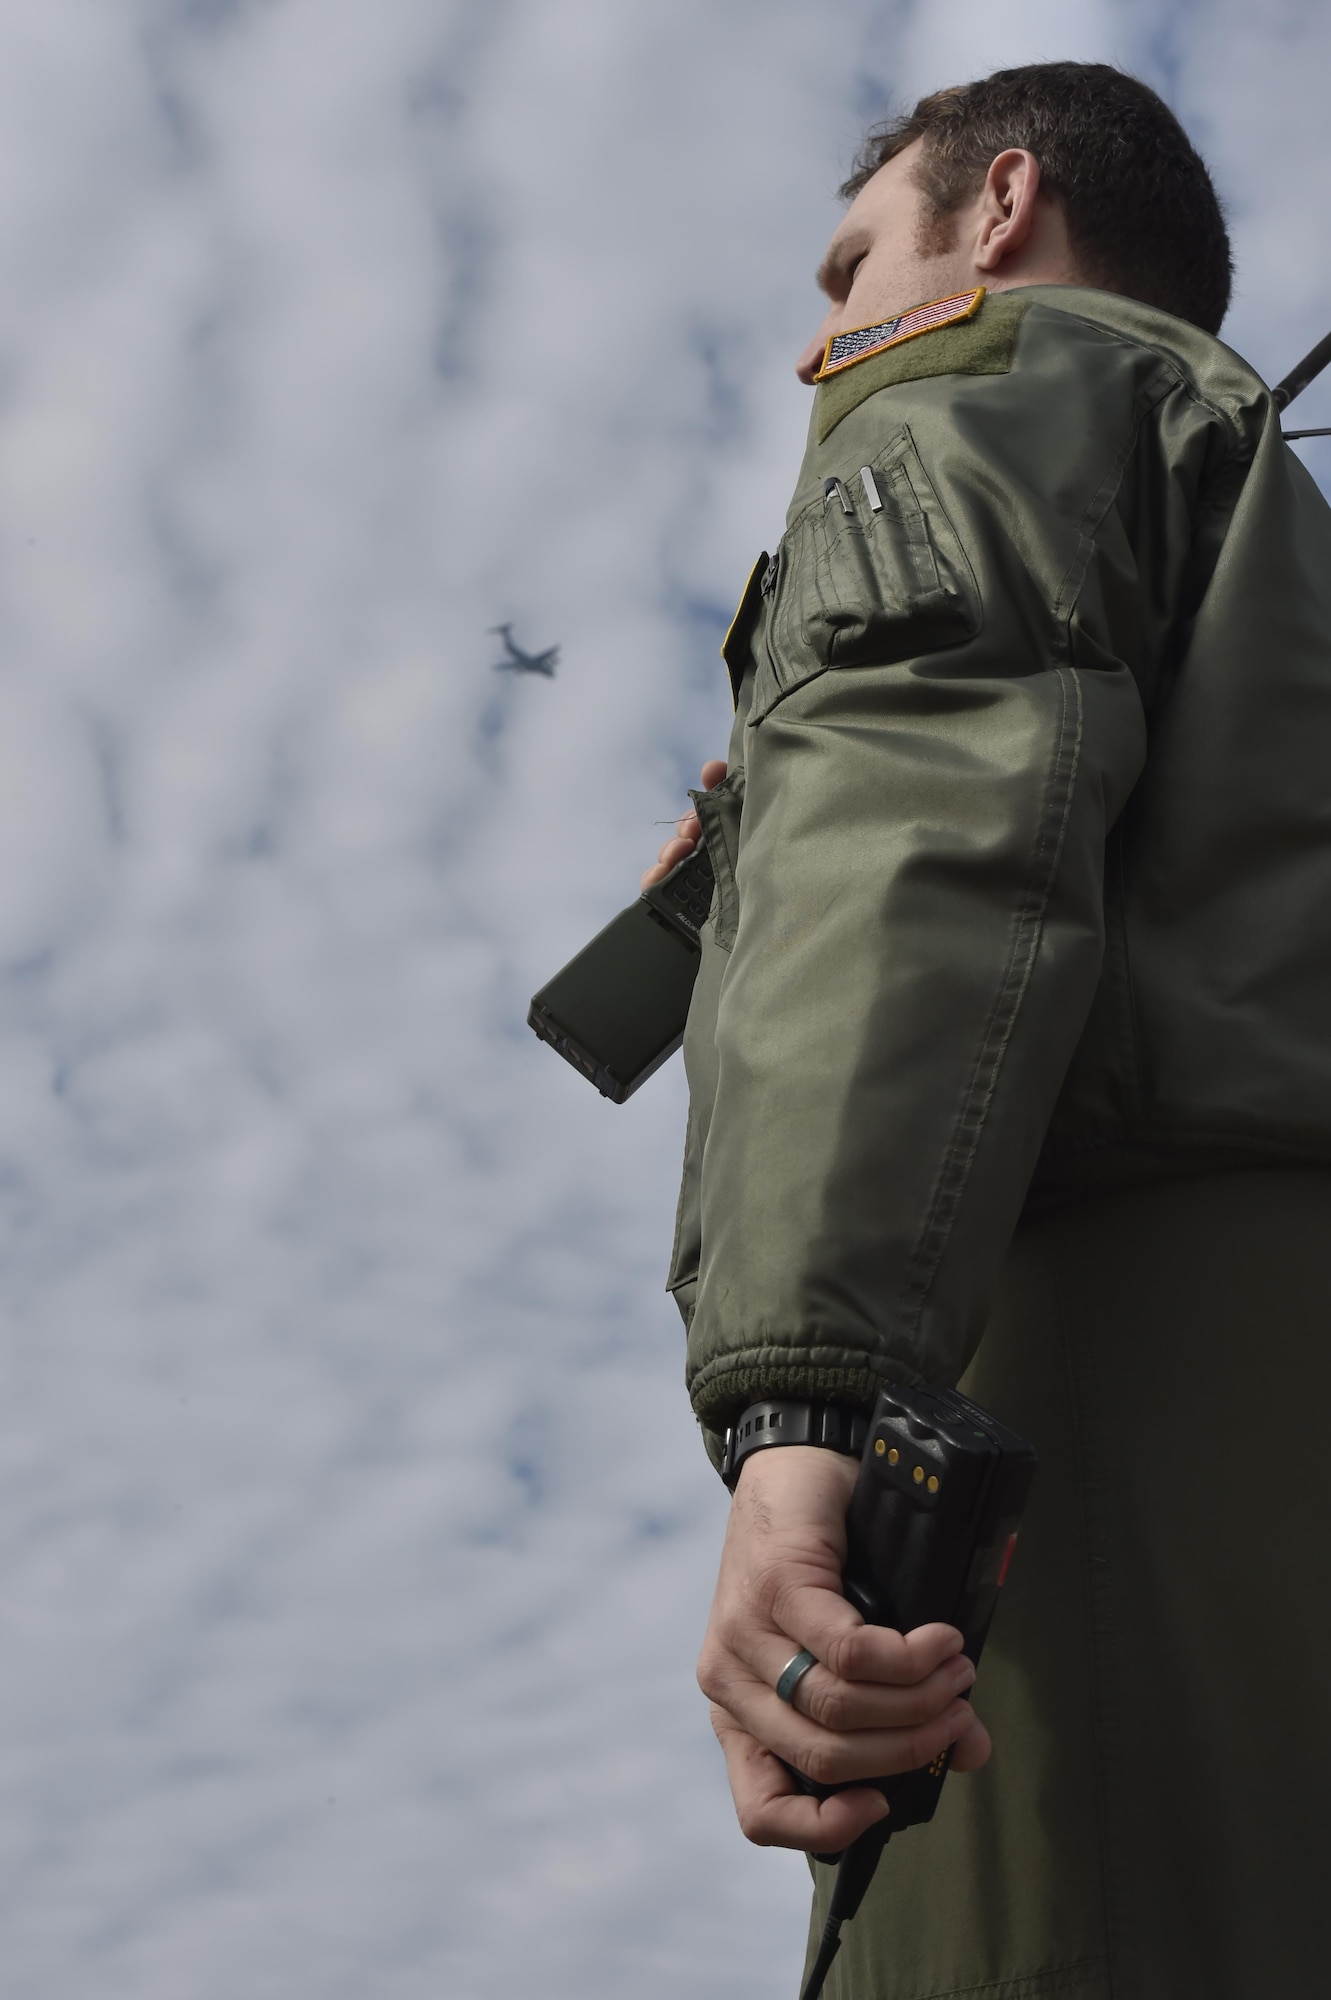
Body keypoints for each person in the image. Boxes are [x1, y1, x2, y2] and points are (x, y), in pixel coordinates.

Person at [645, 62, 1331, 2000]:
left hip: (1115, 1384)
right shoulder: (1278, 541)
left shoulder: (978, 381)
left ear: (1000, 205)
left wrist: (801, 1418)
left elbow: (918, 814)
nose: (819, 341)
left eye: (853, 260)